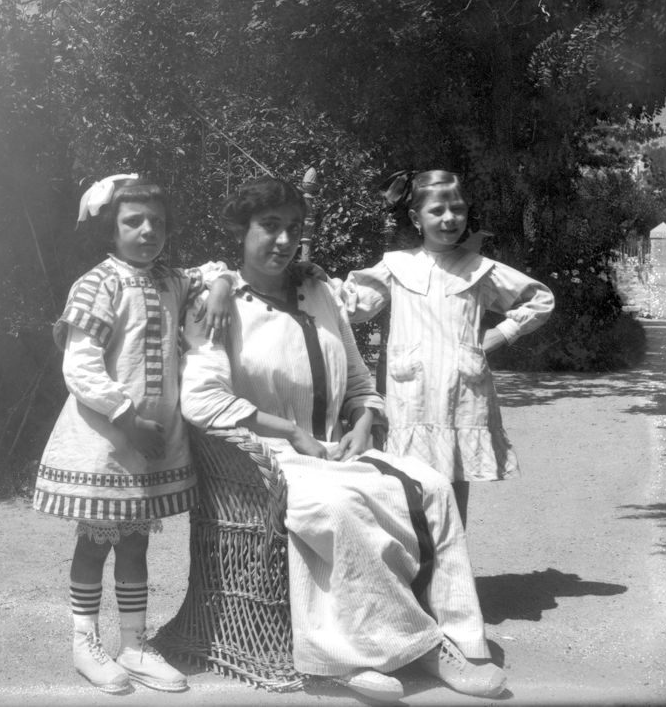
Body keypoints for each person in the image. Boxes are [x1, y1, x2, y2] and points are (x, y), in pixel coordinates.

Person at [180, 176, 508, 704]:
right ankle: (373, 651)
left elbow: (358, 382)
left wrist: (362, 419)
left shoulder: (319, 292)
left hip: (334, 450)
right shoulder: (217, 302)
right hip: (264, 460)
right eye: (269, 227)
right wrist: (288, 432)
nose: (283, 241)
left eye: (293, 228)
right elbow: (200, 400)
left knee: (432, 486)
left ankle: (456, 637)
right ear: (240, 231)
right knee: (340, 506)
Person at [32, 175, 233, 695]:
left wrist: (222, 285)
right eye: (133, 222)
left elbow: (214, 268)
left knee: (136, 541)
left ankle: (135, 643)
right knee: (96, 540)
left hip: (151, 440)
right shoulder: (99, 283)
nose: (147, 231)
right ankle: (84, 642)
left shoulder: (171, 279)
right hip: (107, 439)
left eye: (157, 223)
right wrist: (127, 417)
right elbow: (80, 368)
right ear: (111, 229)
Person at [336, 170, 554, 525]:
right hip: (411, 394)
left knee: (452, 484)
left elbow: (539, 300)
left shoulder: (479, 269)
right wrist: (315, 282)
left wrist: (498, 335)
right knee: (406, 484)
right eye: (437, 211)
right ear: (415, 218)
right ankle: (413, 573)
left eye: (457, 209)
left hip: (460, 393)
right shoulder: (398, 266)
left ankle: (453, 572)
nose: (449, 218)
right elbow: (352, 306)